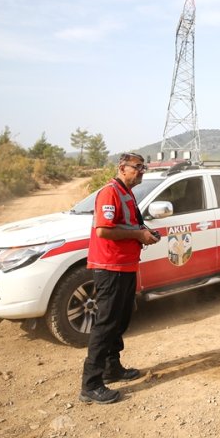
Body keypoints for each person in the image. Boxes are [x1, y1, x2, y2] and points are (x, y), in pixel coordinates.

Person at [79, 153, 161, 405]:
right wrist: (137, 235)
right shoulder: (110, 192)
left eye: (144, 167)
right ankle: (91, 385)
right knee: (106, 324)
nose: (142, 171)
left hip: (125, 266)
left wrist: (144, 232)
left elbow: (128, 225)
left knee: (120, 320)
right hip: (110, 267)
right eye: (137, 167)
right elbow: (103, 230)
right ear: (122, 168)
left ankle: (111, 368)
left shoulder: (127, 193)